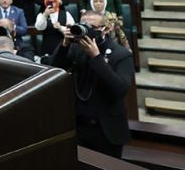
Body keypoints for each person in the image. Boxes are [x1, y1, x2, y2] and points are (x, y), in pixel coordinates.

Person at [49, 10, 133, 158]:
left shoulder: (121, 54)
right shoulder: (76, 49)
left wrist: (96, 57)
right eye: (82, 26)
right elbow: (55, 69)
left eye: (91, 27)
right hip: (78, 127)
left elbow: (120, 89)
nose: (85, 32)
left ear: (105, 29)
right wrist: (65, 44)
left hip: (106, 130)